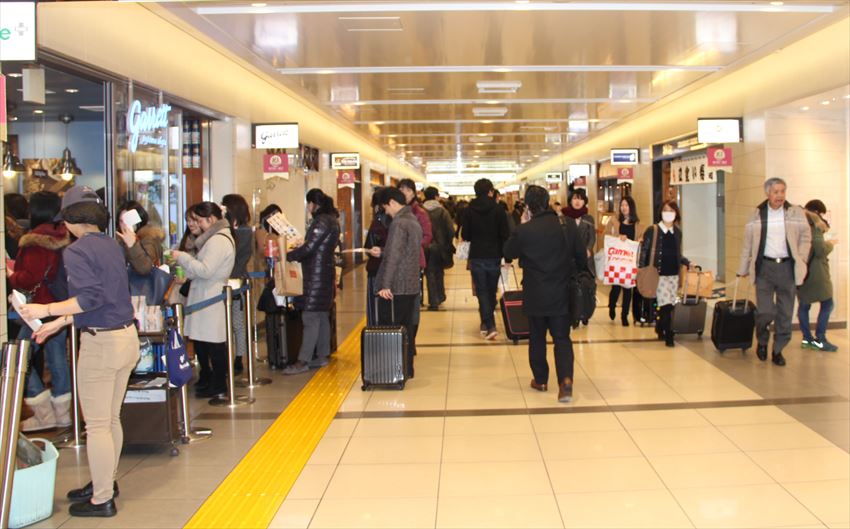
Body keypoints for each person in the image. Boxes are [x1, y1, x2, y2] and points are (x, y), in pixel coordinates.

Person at [19, 186, 139, 517]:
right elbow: (105, 296)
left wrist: (45, 310)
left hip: (102, 345)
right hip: (126, 338)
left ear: (71, 220)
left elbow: (88, 298)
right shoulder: (111, 245)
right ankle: (106, 480)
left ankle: (102, 499)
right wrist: (60, 322)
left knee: (98, 425)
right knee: (110, 419)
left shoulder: (76, 251)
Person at [503, 185, 587, 402]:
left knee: (537, 337)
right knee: (562, 338)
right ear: (548, 201)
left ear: (528, 206)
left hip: (535, 292)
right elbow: (581, 258)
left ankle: (540, 380)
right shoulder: (566, 224)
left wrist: (521, 227)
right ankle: (566, 381)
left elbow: (508, 252)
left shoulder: (525, 229)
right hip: (561, 292)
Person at [7, 191, 72, 432]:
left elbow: (29, 278)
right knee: (57, 360)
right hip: (59, 305)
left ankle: (43, 412)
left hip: (37, 309)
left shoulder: (35, 241)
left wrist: (12, 275)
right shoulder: (62, 236)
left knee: (19, 358)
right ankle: (63, 413)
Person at [738, 177, 811, 366]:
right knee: (765, 311)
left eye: (782, 191)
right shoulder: (756, 214)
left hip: (788, 267)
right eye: (776, 192)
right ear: (767, 193)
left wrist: (802, 258)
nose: (779, 196)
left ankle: (778, 349)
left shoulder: (795, 213)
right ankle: (762, 340)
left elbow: (806, 237)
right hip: (764, 268)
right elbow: (747, 244)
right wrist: (742, 269)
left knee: (785, 312)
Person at [170, 202, 235, 397]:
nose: (196, 224)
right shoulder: (216, 238)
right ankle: (212, 381)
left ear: (212, 219)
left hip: (210, 295)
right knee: (206, 341)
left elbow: (206, 270)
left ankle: (218, 384)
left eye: (199, 220)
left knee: (214, 343)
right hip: (206, 294)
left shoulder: (218, 240)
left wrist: (182, 257)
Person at [282, 189, 341, 374]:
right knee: (321, 314)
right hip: (323, 274)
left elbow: (310, 247)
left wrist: (288, 255)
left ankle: (303, 361)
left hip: (315, 275)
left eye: (308, 203)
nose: (308, 207)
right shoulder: (331, 220)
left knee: (310, 317)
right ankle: (322, 355)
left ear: (314, 203)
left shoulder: (322, 221)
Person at [370, 187, 422, 378]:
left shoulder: (399, 223)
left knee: (391, 329)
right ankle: (406, 369)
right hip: (409, 285)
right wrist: (382, 251)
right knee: (406, 329)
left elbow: (393, 257)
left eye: (385, 207)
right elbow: (404, 252)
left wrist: (385, 285)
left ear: (392, 202)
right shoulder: (412, 220)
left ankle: (393, 369)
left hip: (396, 287)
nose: (386, 212)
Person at [462, 178, 511, 340]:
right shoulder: (498, 210)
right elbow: (505, 234)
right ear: (490, 191)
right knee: (490, 290)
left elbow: (465, 235)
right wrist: (508, 256)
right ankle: (489, 324)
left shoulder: (469, 210)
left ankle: (487, 323)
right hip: (494, 255)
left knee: (482, 291)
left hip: (476, 255)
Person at [638, 201, 691, 347]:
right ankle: (669, 334)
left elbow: (677, 253)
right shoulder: (653, 230)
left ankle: (660, 327)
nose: (668, 213)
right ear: (661, 213)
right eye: (665, 210)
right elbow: (644, 252)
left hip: (674, 274)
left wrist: (686, 262)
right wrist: (641, 271)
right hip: (658, 274)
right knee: (666, 305)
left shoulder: (677, 232)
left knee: (669, 304)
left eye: (672, 210)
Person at [397, 179, 432, 354]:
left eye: (407, 190)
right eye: (401, 190)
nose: (404, 193)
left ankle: (411, 341)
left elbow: (427, 236)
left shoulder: (420, 213)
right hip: (397, 265)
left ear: (413, 192)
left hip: (414, 263)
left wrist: (411, 245)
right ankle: (401, 340)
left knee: (413, 304)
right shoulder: (394, 212)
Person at [797, 200, 837, 352]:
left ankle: (807, 339)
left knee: (804, 305)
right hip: (816, 272)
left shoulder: (797, 225)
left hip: (801, 272)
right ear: (817, 212)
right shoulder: (814, 226)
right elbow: (820, 250)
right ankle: (820, 339)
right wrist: (831, 244)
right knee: (827, 303)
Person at [221, 194, 254, 375]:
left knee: (235, 323)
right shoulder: (244, 231)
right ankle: (237, 357)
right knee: (236, 323)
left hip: (232, 281)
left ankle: (237, 358)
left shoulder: (239, 232)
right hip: (237, 280)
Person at [606, 196, 641, 326]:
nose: (624, 208)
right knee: (615, 288)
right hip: (617, 261)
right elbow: (606, 235)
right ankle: (612, 306)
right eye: (622, 205)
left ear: (631, 207)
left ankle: (624, 315)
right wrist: (617, 237)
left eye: (626, 205)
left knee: (628, 289)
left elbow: (639, 239)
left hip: (629, 262)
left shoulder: (637, 224)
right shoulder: (614, 221)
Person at [422, 186, 454, 310]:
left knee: (429, 273)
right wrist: (447, 242)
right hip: (440, 247)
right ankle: (439, 297)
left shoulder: (421, 211)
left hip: (425, 246)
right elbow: (451, 230)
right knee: (439, 272)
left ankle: (434, 299)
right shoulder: (442, 211)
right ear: (436, 196)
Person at [115, 201, 164, 275]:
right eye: (121, 221)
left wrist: (132, 245)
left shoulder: (148, 239)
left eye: (128, 220)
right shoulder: (119, 240)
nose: (124, 225)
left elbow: (144, 268)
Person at [364, 187, 391, 324]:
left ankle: (377, 339)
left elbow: (369, 246)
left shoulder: (378, 222)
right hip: (394, 273)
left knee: (375, 310)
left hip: (377, 270)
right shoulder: (399, 219)